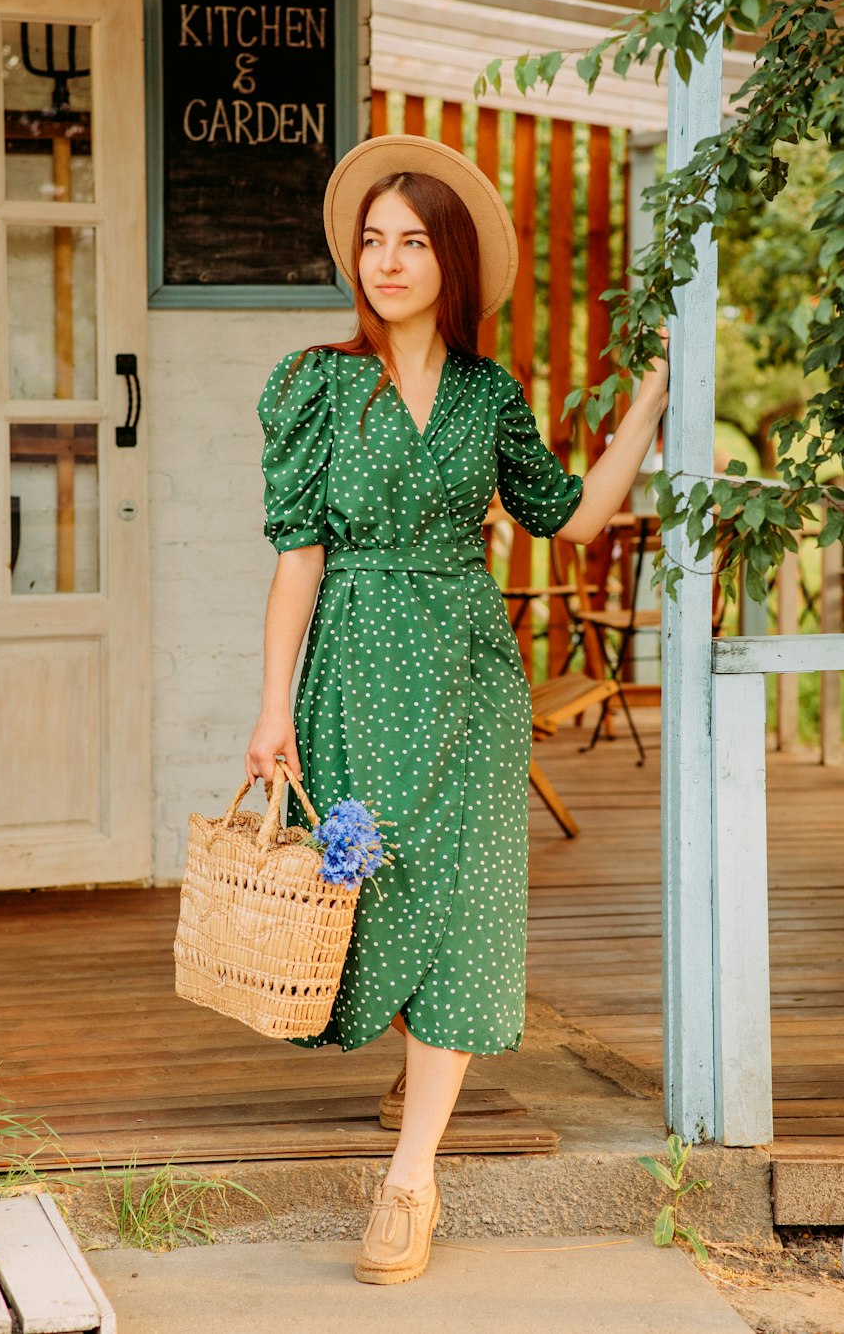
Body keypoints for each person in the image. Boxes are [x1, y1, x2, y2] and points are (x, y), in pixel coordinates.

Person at [246, 135, 669, 1286]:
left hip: (469, 677)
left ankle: (410, 1177)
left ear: (453, 261)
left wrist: (649, 404)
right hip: (352, 671)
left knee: (467, 900)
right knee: (373, 895)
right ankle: (411, 1049)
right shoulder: (315, 384)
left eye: (412, 241)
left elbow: (570, 519)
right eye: (371, 241)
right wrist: (270, 707)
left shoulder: (489, 395)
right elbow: (298, 558)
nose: (386, 261)